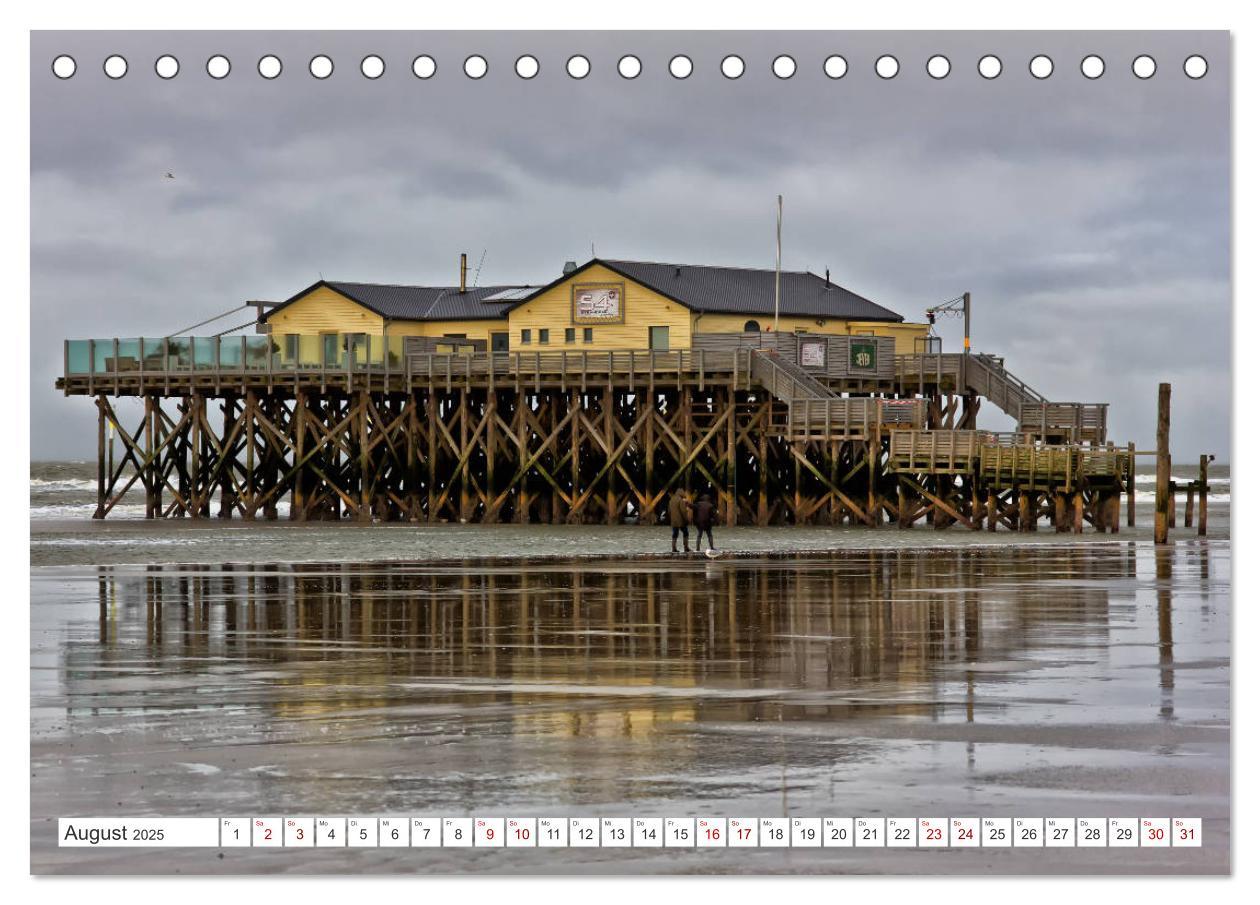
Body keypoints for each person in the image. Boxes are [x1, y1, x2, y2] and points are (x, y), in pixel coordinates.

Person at [668, 487, 691, 553]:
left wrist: (671, 518)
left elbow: (669, 511)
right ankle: (686, 547)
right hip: (681, 521)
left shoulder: (671, 500)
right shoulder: (680, 500)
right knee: (686, 532)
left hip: (673, 521)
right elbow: (683, 511)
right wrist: (686, 520)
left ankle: (673, 548)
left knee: (675, 534)